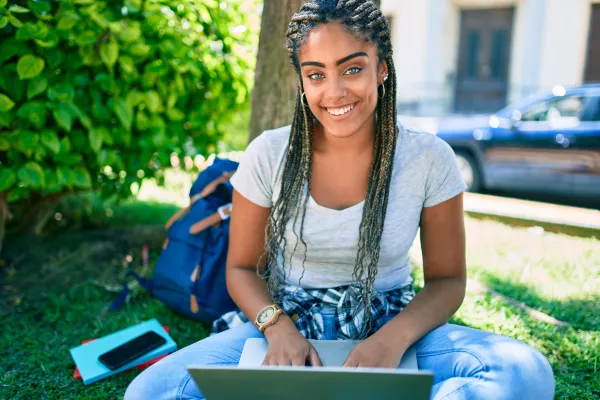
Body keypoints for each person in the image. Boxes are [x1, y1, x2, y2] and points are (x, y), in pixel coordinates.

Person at [125, 1, 555, 399]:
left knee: (525, 371)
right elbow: (240, 270)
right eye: (316, 74)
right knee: (150, 391)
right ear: (302, 81)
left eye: (351, 69)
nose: (334, 92)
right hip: (289, 322)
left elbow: (447, 281)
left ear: (382, 68)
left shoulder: (428, 158)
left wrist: (389, 343)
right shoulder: (269, 154)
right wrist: (278, 331)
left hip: (391, 322)